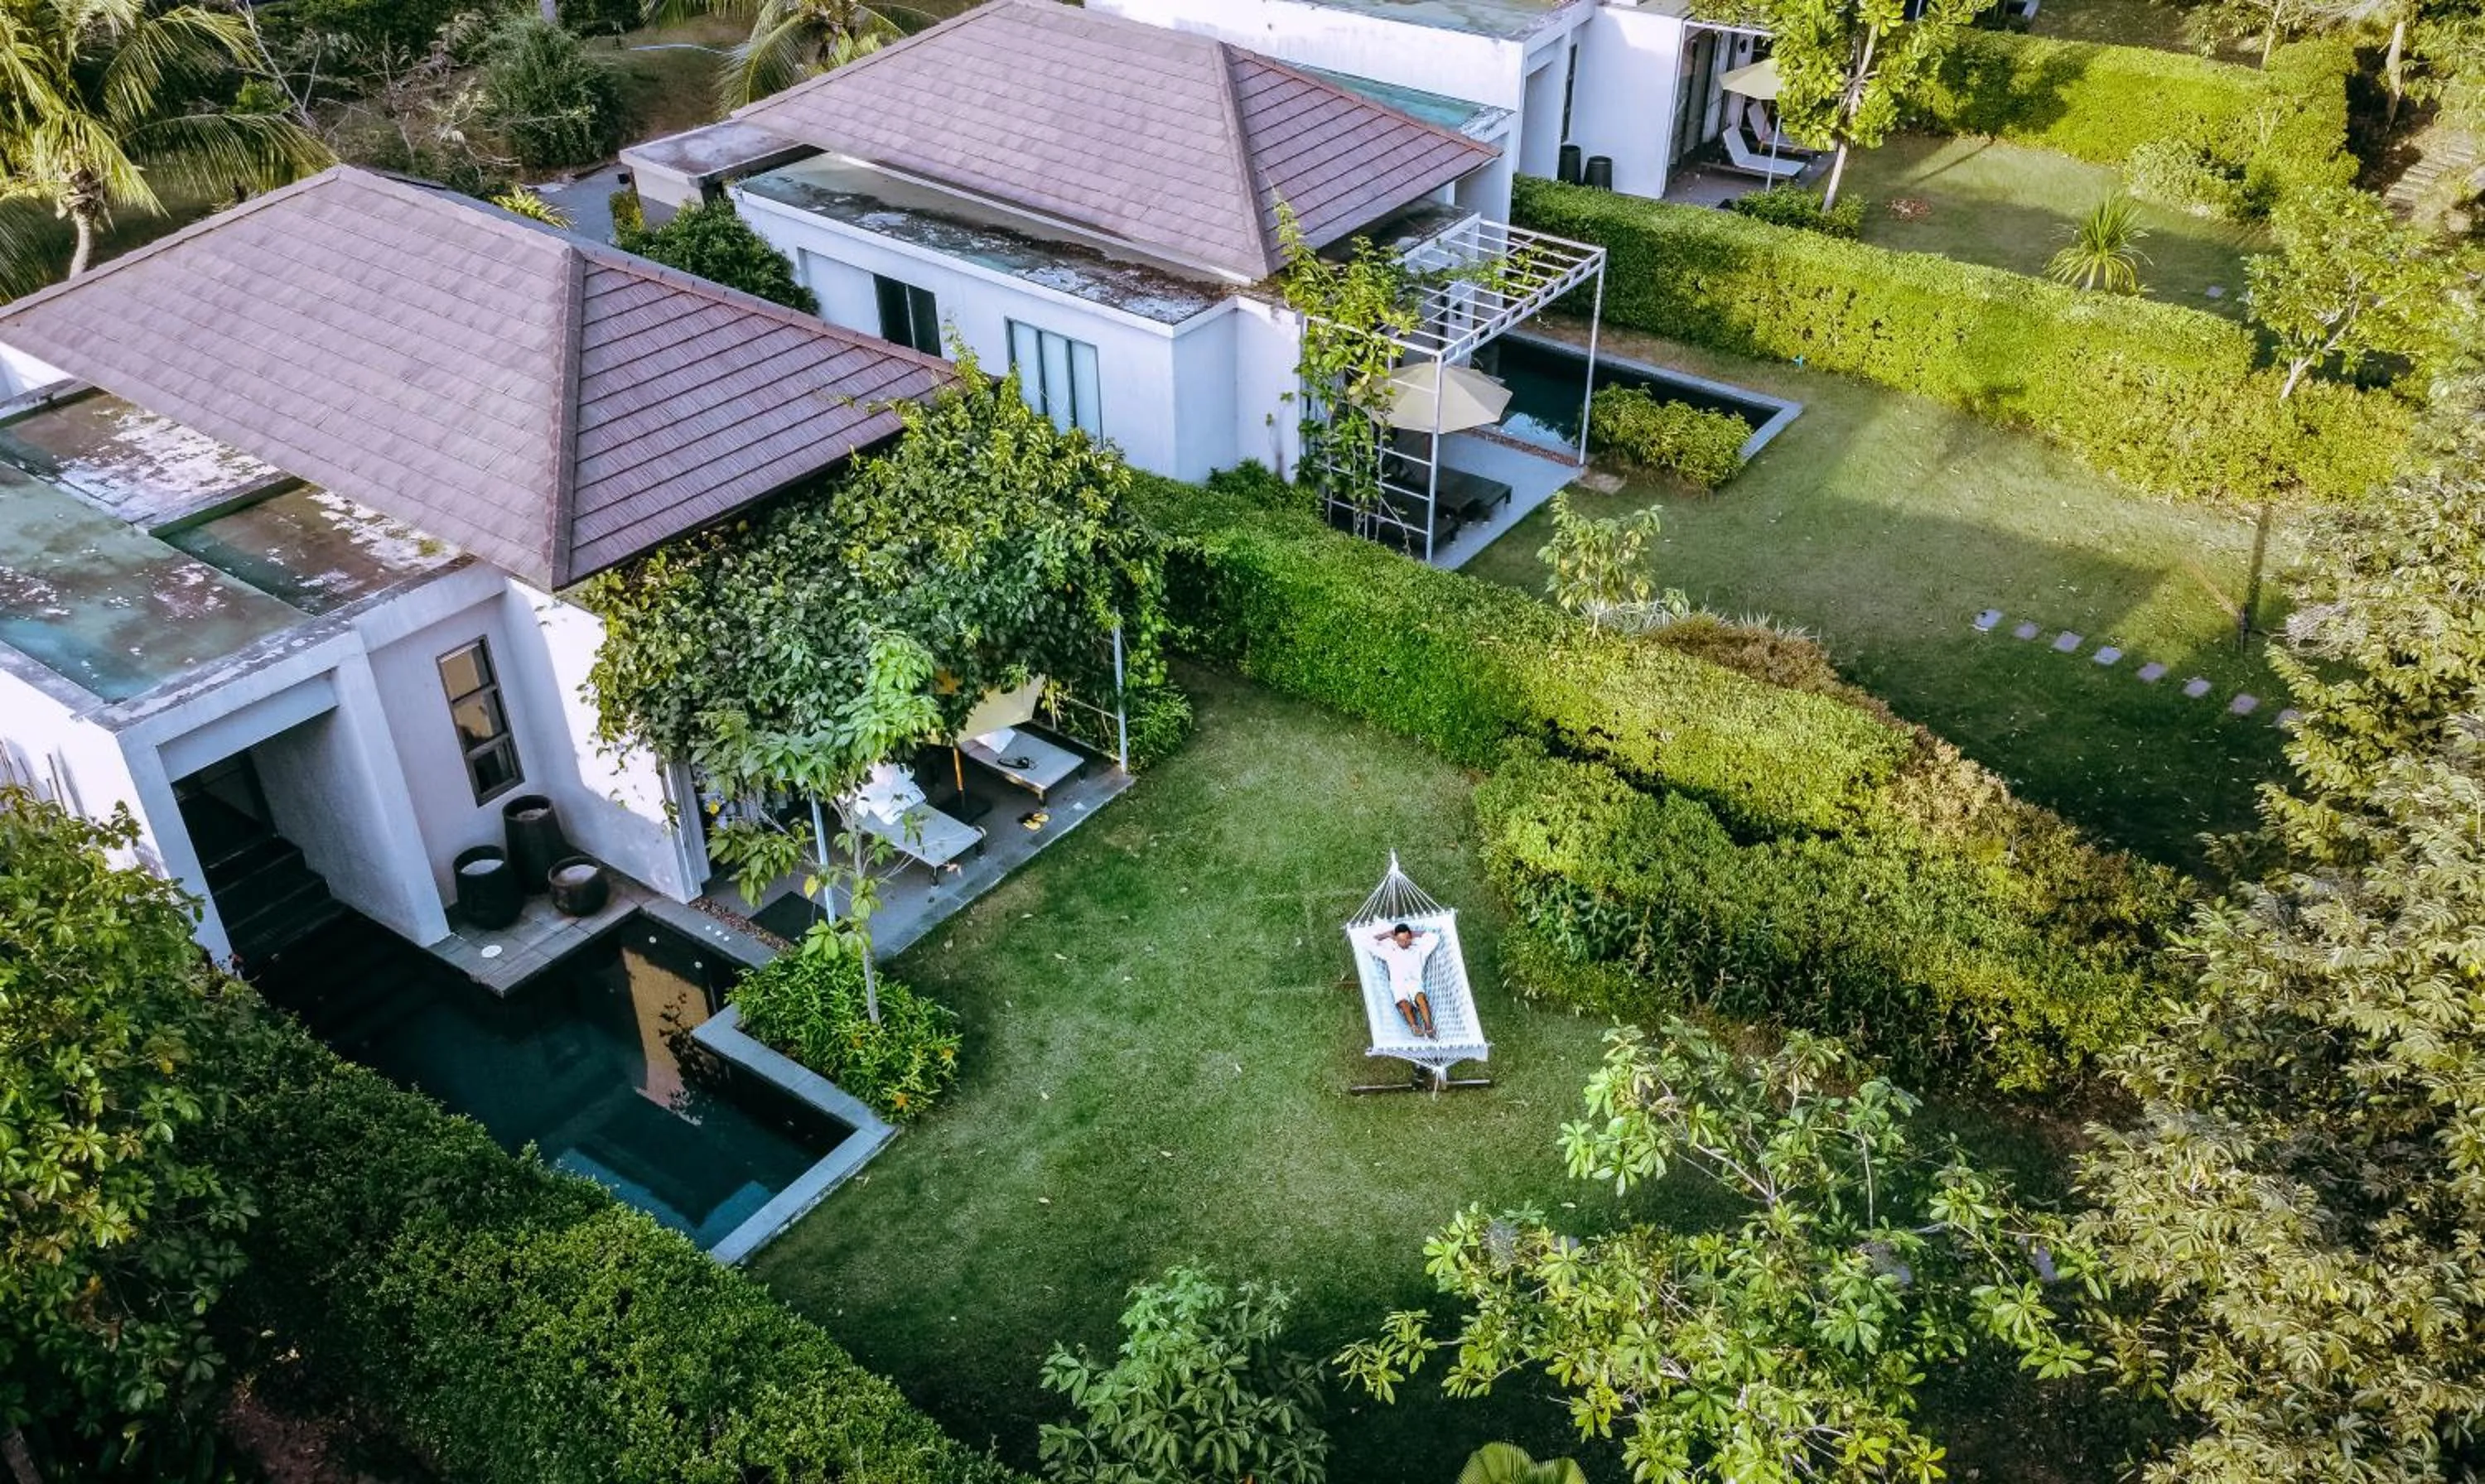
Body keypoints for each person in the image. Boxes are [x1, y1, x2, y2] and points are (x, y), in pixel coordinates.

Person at [1368, 921, 1440, 1038]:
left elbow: (1435, 938)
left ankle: (1429, 1027)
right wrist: (1387, 934)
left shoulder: (1419, 950)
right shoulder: (1390, 951)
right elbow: (1369, 943)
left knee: (1421, 998)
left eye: (1406, 939)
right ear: (1395, 939)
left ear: (1410, 937)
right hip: (1398, 984)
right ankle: (1414, 1027)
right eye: (1400, 940)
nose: (1404, 943)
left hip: (1414, 982)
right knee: (1403, 1003)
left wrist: (1413, 935)